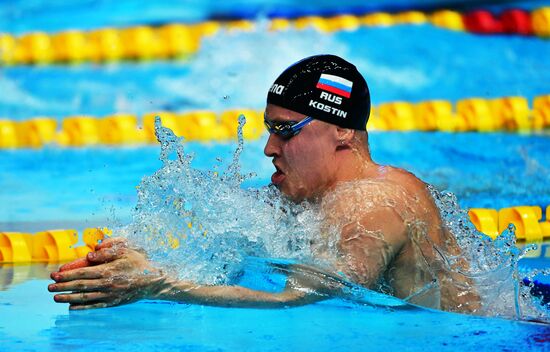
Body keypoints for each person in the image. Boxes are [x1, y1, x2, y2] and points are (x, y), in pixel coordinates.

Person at [48, 54, 480, 312]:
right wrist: (143, 253)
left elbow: (293, 301)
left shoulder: (371, 207)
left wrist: (159, 284)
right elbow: (233, 233)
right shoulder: (313, 191)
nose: (269, 148)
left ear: (342, 132)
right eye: (268, 129)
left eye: (286, 130)